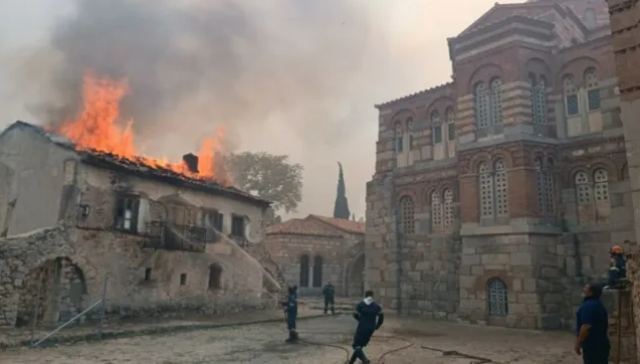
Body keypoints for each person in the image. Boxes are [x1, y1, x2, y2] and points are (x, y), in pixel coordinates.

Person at [575, 282, 610, 364]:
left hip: (593, 346)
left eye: (586, 288)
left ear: (591, 292)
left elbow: (586, 326)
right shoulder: (597, 304)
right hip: (601, 344)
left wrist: (578, 343)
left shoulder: (589, 305)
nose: (583, 289)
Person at [349, 290, 384, 364]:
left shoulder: (361, 304)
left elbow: (354, 314)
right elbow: (381, 317)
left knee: (355, 345)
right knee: (360, 345)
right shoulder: (376, 306)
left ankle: (365, 360)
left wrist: (360, 320)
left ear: (365, 295)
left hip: (362, 327)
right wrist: (377, 326)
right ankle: (351, 362)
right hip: (371, 328)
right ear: (372, 296)